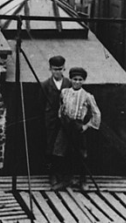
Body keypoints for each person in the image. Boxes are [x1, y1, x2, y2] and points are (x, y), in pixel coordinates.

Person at [53, 67, 101, 189]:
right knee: (61, 151)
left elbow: (96, 113)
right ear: (70, 79)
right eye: (75, 79)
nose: (77, 82)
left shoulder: (87, 96)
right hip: (65, 125)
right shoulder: (64, 92)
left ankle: (83, 181)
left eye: (80, 80)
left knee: (80, 154)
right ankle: (65, 180)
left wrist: (87, 126)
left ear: (84, 81)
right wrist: (62, 118)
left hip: (77, 126)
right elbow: (61, 106)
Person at [39, 55, 71, 187]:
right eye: (54, 69)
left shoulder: (69, 84)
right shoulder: (45, 85)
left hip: (65, 120)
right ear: (50, 69)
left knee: (64, 146)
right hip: (51, 120)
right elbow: (41, 103)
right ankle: (52, 174)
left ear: (64, 69)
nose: (57, 72)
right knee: (50, 146)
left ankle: (63, 174)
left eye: (60, 69)